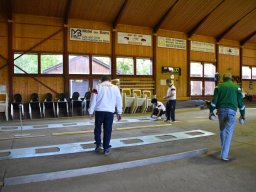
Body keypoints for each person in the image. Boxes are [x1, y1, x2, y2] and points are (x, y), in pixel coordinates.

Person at [209, 72, 245, 161]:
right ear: (231, 79)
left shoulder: (218, 87)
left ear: (223, 79)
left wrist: (211, 112)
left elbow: (214, 101)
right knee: (229, 133)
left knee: (222, 130)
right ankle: (224, 155)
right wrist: (242, 114)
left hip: (221, 111)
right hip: (232, 112)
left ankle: (223, 148)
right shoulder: (237, 88)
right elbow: (240, 103)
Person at [89, 76, 122, 156]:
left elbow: (93, 99)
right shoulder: (115, 88)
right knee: (108, 130)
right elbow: (119, 100)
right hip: (110, 112)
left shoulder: (97, 87)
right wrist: (119, 112)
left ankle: (98, 144)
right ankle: (106, 148)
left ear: (101, 80)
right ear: (110, 80)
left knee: (97, 128)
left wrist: (91, 111)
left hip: (99, 111)